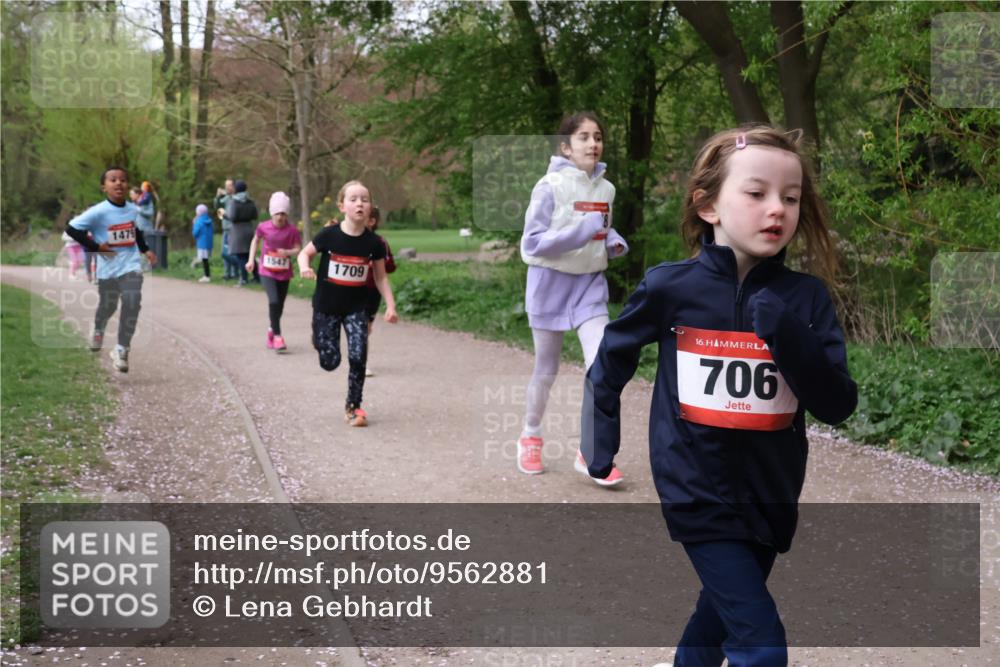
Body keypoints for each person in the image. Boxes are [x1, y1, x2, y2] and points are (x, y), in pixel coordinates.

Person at [582, 126, 858, 666]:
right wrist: (600, 442)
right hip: (695, 487)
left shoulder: (806, 298)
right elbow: (610, 360)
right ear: (708, 206)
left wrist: (789, 336)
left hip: (771, 492)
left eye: (791, 197)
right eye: (757, 194)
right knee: (761, 646)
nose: (776, 208)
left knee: (719, 616)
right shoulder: (670, 287)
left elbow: (838, 405)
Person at [517, 111, 629, 486]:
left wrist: (612, 241)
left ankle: (591, 452)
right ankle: (530, 435)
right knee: (546, 370)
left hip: (589, 287)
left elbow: (601, 231)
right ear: (566, 147)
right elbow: (531, 244)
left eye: (598, 136)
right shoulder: (548, 186)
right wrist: (582, 232)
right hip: (549, 285)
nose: (593, 144)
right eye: (584, 137)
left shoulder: (607, 190)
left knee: (600, 363)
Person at [298, 180, 398, 427]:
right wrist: (304, 267)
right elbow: (305, 253)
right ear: (342, 206)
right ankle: (319, 340)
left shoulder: (374, 243)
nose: (359, 204)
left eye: (364, 199)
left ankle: (354, 407)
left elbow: (380, 276)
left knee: (358, 355)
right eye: (353, 199)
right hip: (326, 307)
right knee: (330, 362)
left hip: (356, 309)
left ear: (370, 207)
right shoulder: (329, 235)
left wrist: (391, 306)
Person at [64, 166, 158, 373]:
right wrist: (97, 247)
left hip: (131, 265)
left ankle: (122, 349)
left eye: (123, 180)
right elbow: (71, 228)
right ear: (104, 187)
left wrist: (146, 250)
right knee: (109, 306)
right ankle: (98, 328)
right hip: (108, 270)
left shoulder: (133, 209)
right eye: (113, 180)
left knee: (133, 302)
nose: (118, 183)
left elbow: (135, 231)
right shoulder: (98, 211)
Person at [246, 192, 302, 353]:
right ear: (272, 213)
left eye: (283, 213)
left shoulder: (292, 230)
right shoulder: (263, 227)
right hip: (267, 270)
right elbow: (255, 241)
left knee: (280, 306)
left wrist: (288, 252)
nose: (280, 217)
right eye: (277, 213)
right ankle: (278, 336)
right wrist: (251, 260)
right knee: (274, 301)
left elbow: (298, 249)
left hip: (284, 272)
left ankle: (272, 329)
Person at [362, 205, 395, 377]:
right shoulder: (347, 238)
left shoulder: (380, 242)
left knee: (365, 327)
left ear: (372, 221)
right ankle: (359, 361)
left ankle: (361, 360)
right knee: (358, 326)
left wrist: (374, 264)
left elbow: (388, 268)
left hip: (372, 291)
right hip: (350, 290)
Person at [225, 179, 258, 285]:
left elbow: (232, 217)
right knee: (250, 255)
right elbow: (255, 215)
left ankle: (243, 278)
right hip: (249, 228)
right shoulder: (250, 201)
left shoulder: (234, 201)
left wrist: (224, 215)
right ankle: (257, 277)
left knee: (241, 256)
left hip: (238, 230)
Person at [215, 180, 241, 280]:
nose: (227, 188)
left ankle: (236, 273)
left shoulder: (237, 198)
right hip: (225, 229)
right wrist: (218, 197)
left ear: (234, 187)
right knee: (225, 252)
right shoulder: (225, 198)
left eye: (229, 186)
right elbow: (218, 207)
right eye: (226, 186)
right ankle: (227, 273)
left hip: (234, 229)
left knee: (233, 252)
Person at [192, 203, 214, 283]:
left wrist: (194, 224)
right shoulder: (209, 220)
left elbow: (195, 233)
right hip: (209, 243)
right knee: (205, 259)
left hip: (201, 243)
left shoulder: (198, 221)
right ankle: (207, 275)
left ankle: (206, 276)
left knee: (204, 260)